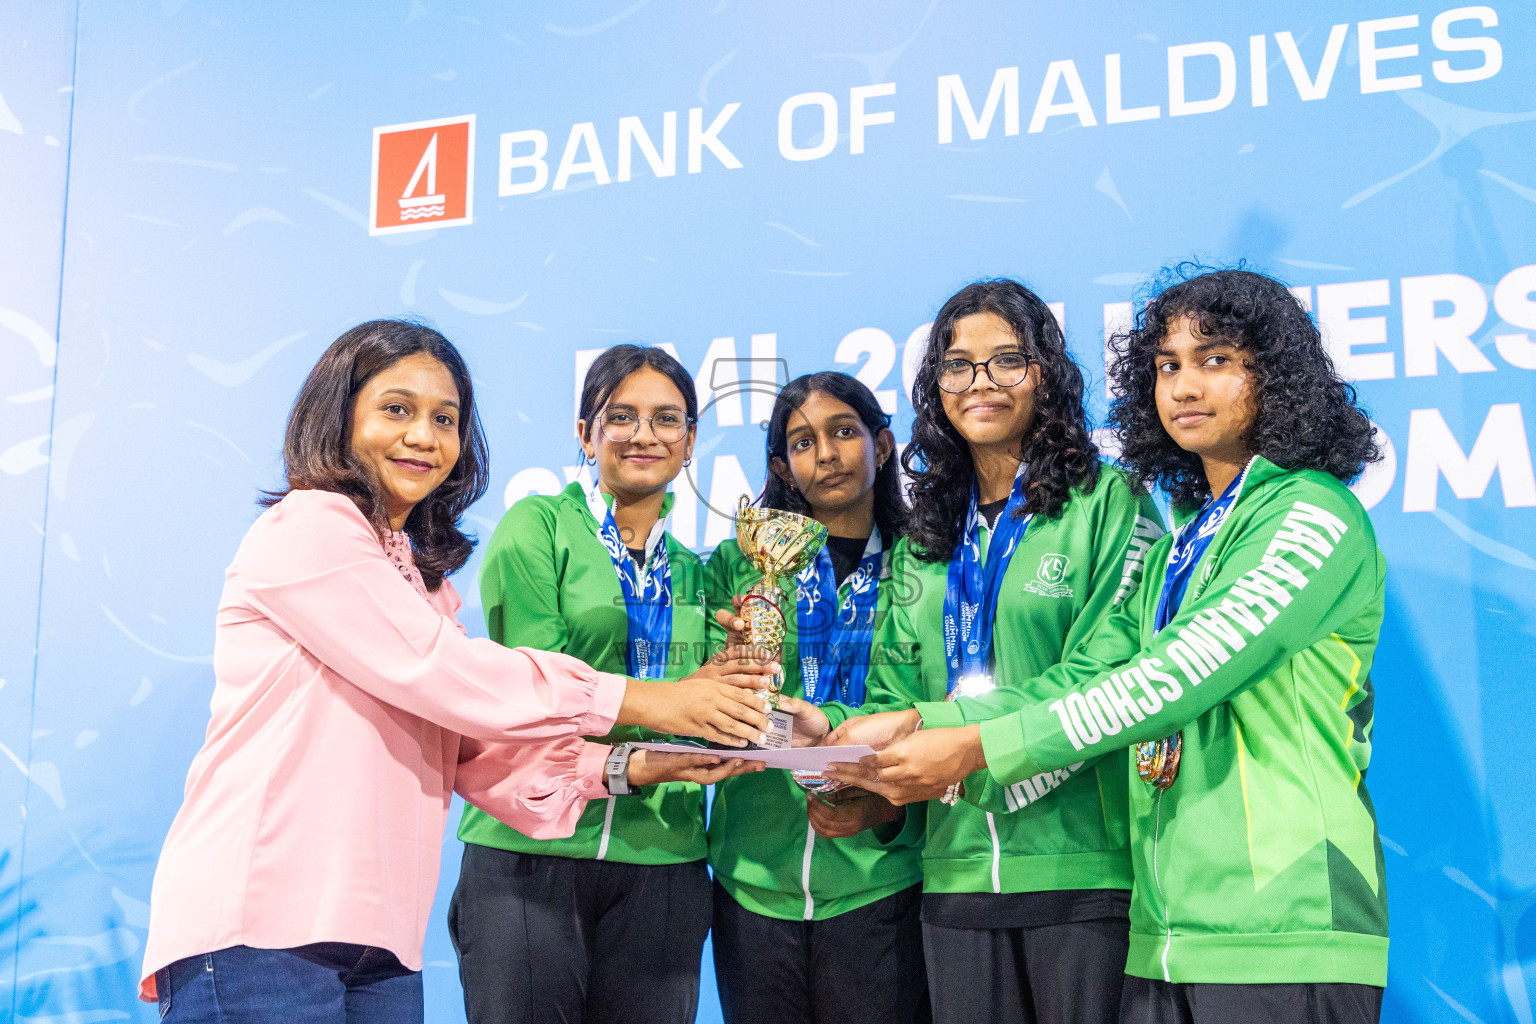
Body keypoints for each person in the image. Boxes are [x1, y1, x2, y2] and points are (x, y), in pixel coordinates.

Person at [139, 322, 773, 1024]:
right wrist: (650, 700)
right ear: (338, 416)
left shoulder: (424, 583)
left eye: (445, 419)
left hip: (378, 942)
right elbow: (442, 672)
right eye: (397, 410)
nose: (423, 436)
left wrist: (646, 766)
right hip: (262, 925)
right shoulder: (310, 527)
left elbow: (478, 754)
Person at [834, 267, 1390, 1024]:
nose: (1186, 387)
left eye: (1216, 359)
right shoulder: (1183, 549)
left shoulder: (1314, 516)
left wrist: (973, 750)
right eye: (1168, 366)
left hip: (1283, 928)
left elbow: (1169, 677)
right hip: (1166, 934)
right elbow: (1067, 690)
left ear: (1280, 376)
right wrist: (892, 733)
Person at [816, 280, 1166, 1024]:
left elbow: (1107, 677)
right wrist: (856, 779)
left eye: (1008, 360)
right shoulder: (926, 536)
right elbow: (891, 692)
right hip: (954, 879)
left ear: (1047, 373)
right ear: (933, 386)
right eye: (958, 364)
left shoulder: (1110, 503)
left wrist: (929, 722)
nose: (981, 382)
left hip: (1081, 875)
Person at [450, 344, 775, 1024]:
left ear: (690, 443)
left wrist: (737, 694)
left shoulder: (698, 570)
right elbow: (535, 691)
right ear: (585, 433)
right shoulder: (537, 527)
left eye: (666, 419)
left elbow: (718, 700)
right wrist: (678, 703)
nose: (643, 434)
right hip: (530, 853)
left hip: (664, 857)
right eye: (621, 416)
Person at [704, 372, 929, 1024]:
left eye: (842, 432)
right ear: (782, 465)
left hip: (881, 879)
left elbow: (925, 704)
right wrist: (785, 734)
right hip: (752, 887)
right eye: (802, 443)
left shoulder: (927, 563)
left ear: (882, 445)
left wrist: (882, 806)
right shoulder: (737, 566)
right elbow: (707, 705)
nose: (825, 454)